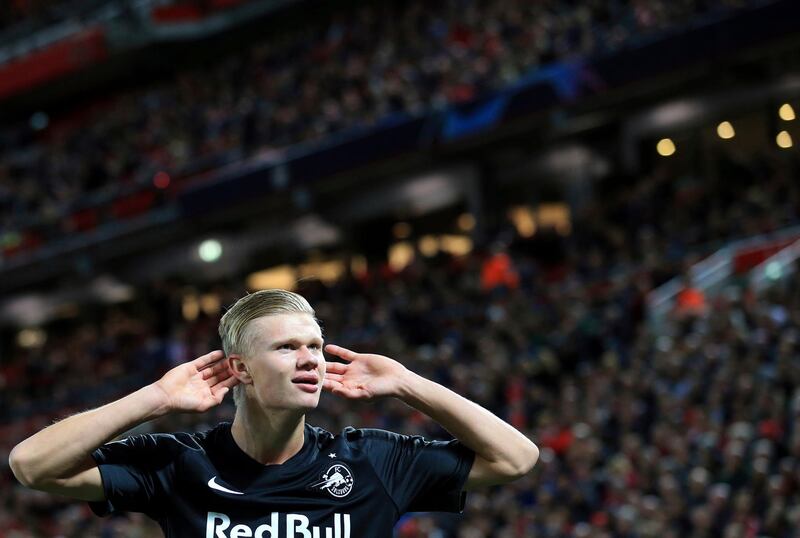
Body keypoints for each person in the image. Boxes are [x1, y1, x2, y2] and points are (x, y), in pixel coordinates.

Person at [9, 289, 539, 537]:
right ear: (239, 368)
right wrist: (154, 400)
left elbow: (517, 458)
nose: (310, 357)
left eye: (315, 344)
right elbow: (33, 466)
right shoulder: (178, 465)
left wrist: (407, 384)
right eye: (287, 347)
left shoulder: (371, 461)